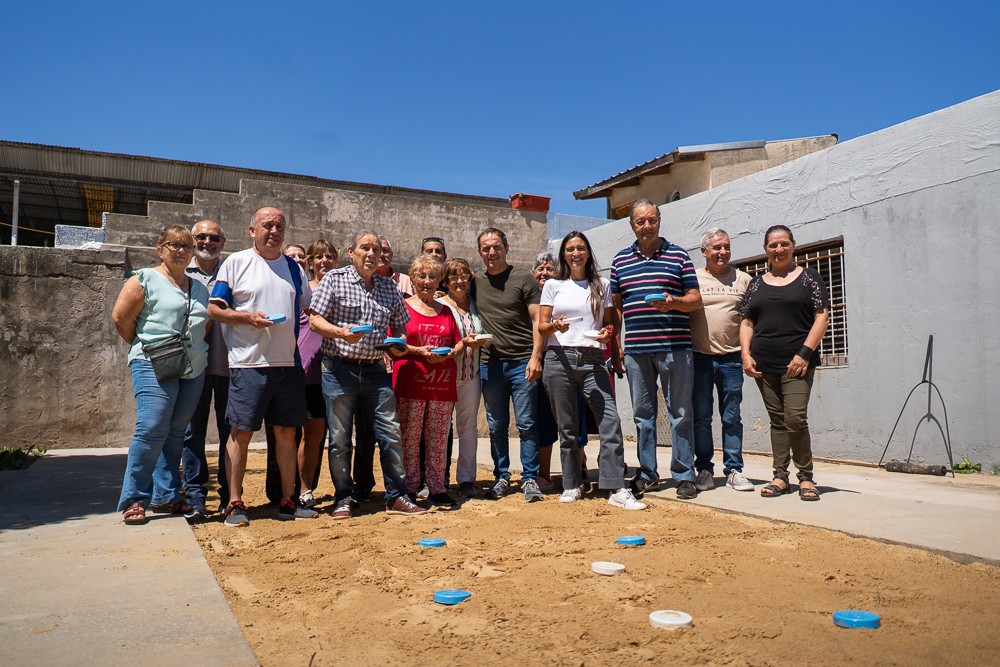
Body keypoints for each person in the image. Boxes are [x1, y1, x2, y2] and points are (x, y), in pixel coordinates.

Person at [208, 207, 318, 527]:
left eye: (279, 226)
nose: (273, 231)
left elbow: (310, 310)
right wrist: (248, 317)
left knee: (286, 433)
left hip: (288, 365)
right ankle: (233, 503)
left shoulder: (295, 269)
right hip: (248, 364)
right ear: (252, 230)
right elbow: (215, 309)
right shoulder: (236, 262)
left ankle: (288, 499)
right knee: (240, 433)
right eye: (267, 226)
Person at [309, 229, 427, 518]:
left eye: (377, 250)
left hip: (376, 369)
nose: (372, 254)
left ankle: (396, 496)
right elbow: (314, 319)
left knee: (390, 433)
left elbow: (400, 325)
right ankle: (343, 497)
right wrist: (339, 332)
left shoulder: (388, 288)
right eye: (365, 248)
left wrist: (397, 343)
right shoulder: (334, 280)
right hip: (338, 368)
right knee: (339, 438)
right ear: (351, 252)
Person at [539, 232, 645, 510]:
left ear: (588, 253)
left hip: (593, 358)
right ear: (564, 254)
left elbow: (610, 325)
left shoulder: (602, 285)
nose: (576, 253)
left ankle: (615, 487)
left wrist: (606, 335)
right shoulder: (552, 285)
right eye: (571, 249)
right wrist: (555, 326)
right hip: (558, 357)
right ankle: (572, 485)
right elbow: (541, 326)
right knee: (568, 427)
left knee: (610, 421)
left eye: (581, 248)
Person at [112, 225, 210, 525]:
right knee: (152, 428)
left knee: (177, 432)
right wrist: (147, 345)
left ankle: (167, 495)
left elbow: (203, 326)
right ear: (160, 249)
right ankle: (134, 498)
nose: (181, 251)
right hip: (152, 363)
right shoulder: (144, 279)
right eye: (174, 245)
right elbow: (121, 318)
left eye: (187, 246)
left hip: (192, 367)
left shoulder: (200, 287)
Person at [611, 199, 703, 500]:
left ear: (659, 221)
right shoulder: (620, 261)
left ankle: (684, 474)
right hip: (637, 350)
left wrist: (673, 302)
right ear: (632, 225)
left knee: (680, 412)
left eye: (652, 220)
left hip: (675, 348)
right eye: (640, 221)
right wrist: (618, 347)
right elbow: (617, 310)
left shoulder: (679, 256)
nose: (647, 226)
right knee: (642, 414)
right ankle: (647, 472)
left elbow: (695, 299)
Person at [739, 224, 829, 501]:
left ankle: (806, 478)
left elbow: (822, 316)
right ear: (766, 249)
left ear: (793, 246)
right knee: (777, 421)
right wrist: (745, 354)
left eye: (783, 244)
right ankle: (780, 477)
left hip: (797, 363)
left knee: (795, 419)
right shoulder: (756, 283)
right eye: (773, 245)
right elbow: (747, 321)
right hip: (764, 363)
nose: (778, 249)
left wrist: (804, 353)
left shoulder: (809, 278)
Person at [473, 227, 544, 502]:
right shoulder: (475, 281)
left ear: (506, 247)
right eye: (486, 248)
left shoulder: (524, 277)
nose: (492, 252)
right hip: (490, 364)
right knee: (496, 425)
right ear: (481, 252)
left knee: (526, 424)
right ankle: (501, 476)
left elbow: (538, 321)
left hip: (522, 362)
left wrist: (535, 358)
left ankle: (529, 479)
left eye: (496, 247)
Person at [393, 256, 464, 507]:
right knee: (409, 439)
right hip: (410, 382)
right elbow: (395, 347)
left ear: (438, 282)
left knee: (437, 440)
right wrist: (418, 351)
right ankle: (409, 488)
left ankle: (436, 487)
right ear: (412, 279)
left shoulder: (447, 311)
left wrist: (455, 351)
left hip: (441, 384)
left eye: (432, 277)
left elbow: (457, 342)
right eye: (421, 276)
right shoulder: (402, 308)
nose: (427, 281)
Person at [689, 228, 755, 493]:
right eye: (716, 248)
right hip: (700, 359)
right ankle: (704, 469)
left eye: (726, 247)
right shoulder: (692, 278)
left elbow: (750, 320)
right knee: (701, 418)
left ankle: (734, 470)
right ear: (704, 251)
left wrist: (747, 354)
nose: (722, 252)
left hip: (731, 360)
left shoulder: (744, 280)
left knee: (731, 417)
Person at [179, 220, 229, 519]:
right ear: (192, 240)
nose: (207, 242)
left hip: (229, 367)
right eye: (201, 237)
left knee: (229, 434)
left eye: (214, 237)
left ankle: (228, 496)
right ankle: (196, 496)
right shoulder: (180, 273)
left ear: (223, 242)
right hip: (191, 367)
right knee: (191, 434)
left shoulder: (234, 271)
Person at [436, 258, 487, 499]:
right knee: (440, 429)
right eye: (454, 277)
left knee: (468, 428)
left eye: (464, 276)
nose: (459, 281)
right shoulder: (439, 305)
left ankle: (466, 478)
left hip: (470, 375)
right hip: (445, 375)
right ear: (445, 281)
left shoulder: (476, 306)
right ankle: (437, 478)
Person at [296, 239, 339, 508]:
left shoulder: (341, 289)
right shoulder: (302, 291)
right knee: (300, 434)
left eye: (329, 257)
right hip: (304, 372)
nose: (324, 261)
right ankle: (299, 488)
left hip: (333, 371)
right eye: (319, 257)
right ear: (310, 262)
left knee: (319, 435)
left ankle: (308, 487)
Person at [531, 251, 560, 490]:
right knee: (544, 419)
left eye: (549, 269)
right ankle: (545, 473)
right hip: (539, 363)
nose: (544, 273)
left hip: (566, 361)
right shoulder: (528, 298)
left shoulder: (563, 293)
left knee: (574, 420)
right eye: (540, 269)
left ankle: (578, 469)